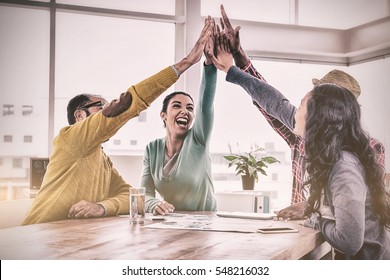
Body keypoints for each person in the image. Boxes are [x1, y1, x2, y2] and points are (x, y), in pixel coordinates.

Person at [22, 17, 214, 225]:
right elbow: (127, 104)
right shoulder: (70, 138)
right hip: (37, 234)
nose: (108, 110)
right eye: (101, 107)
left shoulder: (102, 160)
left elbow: (130, 197)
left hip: (71, 238)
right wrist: (186, 63)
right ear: (80, 116)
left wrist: (102, 207)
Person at [212, 36, 390, 259]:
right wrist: (235, 67)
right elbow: (273, 102)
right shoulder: (318, 139)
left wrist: (312, 212)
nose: (296, 108)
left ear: (326, 112)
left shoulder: (346, 164)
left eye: (306, 103)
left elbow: (350, 238)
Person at [215, 4, 385, 220]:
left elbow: (362, 204)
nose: (307, 104)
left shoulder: (371, 148)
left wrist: (310, 205)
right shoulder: (303, 131)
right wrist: (238, 59)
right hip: (301, 237)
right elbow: (270, 100)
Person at [141, 19, 218, 216]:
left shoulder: (198, 139)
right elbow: (145, 193)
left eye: (189, 108)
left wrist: (209, 64)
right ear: (163, 115)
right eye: (177, 106)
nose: (185, 111)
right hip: (173, 223)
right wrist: (152, 204)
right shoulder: (152, 149)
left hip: (206, 224)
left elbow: (205, 104)